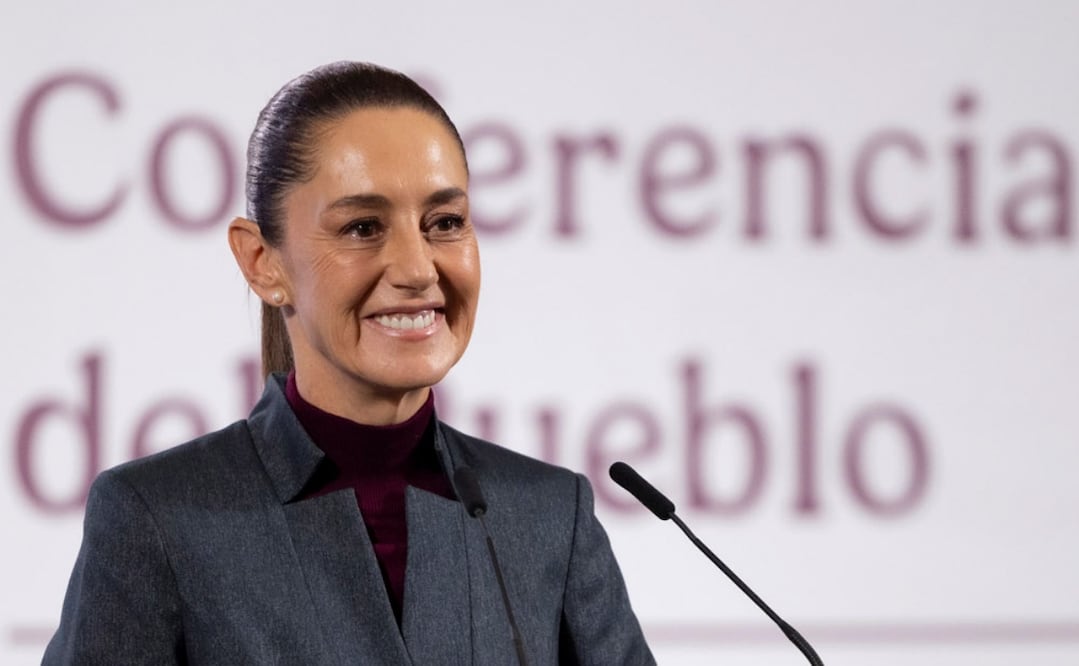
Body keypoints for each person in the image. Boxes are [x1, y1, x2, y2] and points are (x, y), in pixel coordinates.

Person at [43, 61, 655, 665]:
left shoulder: (550, 515)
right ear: (262, 261)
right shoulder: (158, 518)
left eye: (444, 222)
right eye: (363, 227)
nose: (418, 270)